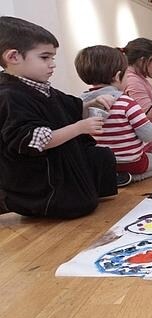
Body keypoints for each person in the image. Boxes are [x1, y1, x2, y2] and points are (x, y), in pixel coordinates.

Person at [0, 16, 117, 218]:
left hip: (62, 160)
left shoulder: (42, 88)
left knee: (100, 157)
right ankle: (10, 199)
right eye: (45, 58)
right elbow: (37, 140)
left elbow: (69, 109)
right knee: (77, 205)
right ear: (13, 57)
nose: (52, 64)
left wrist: (93, 104)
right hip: (39, 174)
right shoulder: (10, 95)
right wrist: (80, 127)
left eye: (52, 58)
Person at [75, 45, 152, 183]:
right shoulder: (127, 103)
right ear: (117, 76)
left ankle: (112, 176)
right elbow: (149, 135)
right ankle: (129, 178)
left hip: (99, 163)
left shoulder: (79, 103)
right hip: (130, 162)